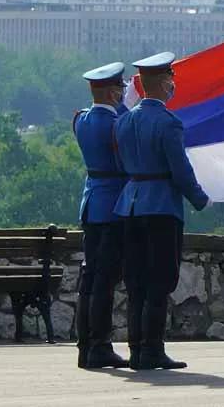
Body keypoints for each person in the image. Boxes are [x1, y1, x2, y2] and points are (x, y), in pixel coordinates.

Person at [113, 52, 209, 370]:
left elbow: (121, 164)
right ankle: (152, 349)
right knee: (160, 280)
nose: (172, 85)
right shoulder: (168, 123)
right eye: (170, 78)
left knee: (136, 282)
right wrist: (200, 199)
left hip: (130, 206)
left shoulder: (123, 121)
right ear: (164, 82)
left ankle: (136, 349)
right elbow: (180, 171)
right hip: (161, 207)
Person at [72, 61, 130, 369]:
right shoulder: (117, 125)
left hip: (91, 203)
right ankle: (100, 345)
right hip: (112, 206)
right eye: (120, 87)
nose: (124, 91)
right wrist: (125, 106)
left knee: (90, 279)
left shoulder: (81, 120)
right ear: (112, 92)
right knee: (104, 281)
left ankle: (85, 345)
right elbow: (125, 160)